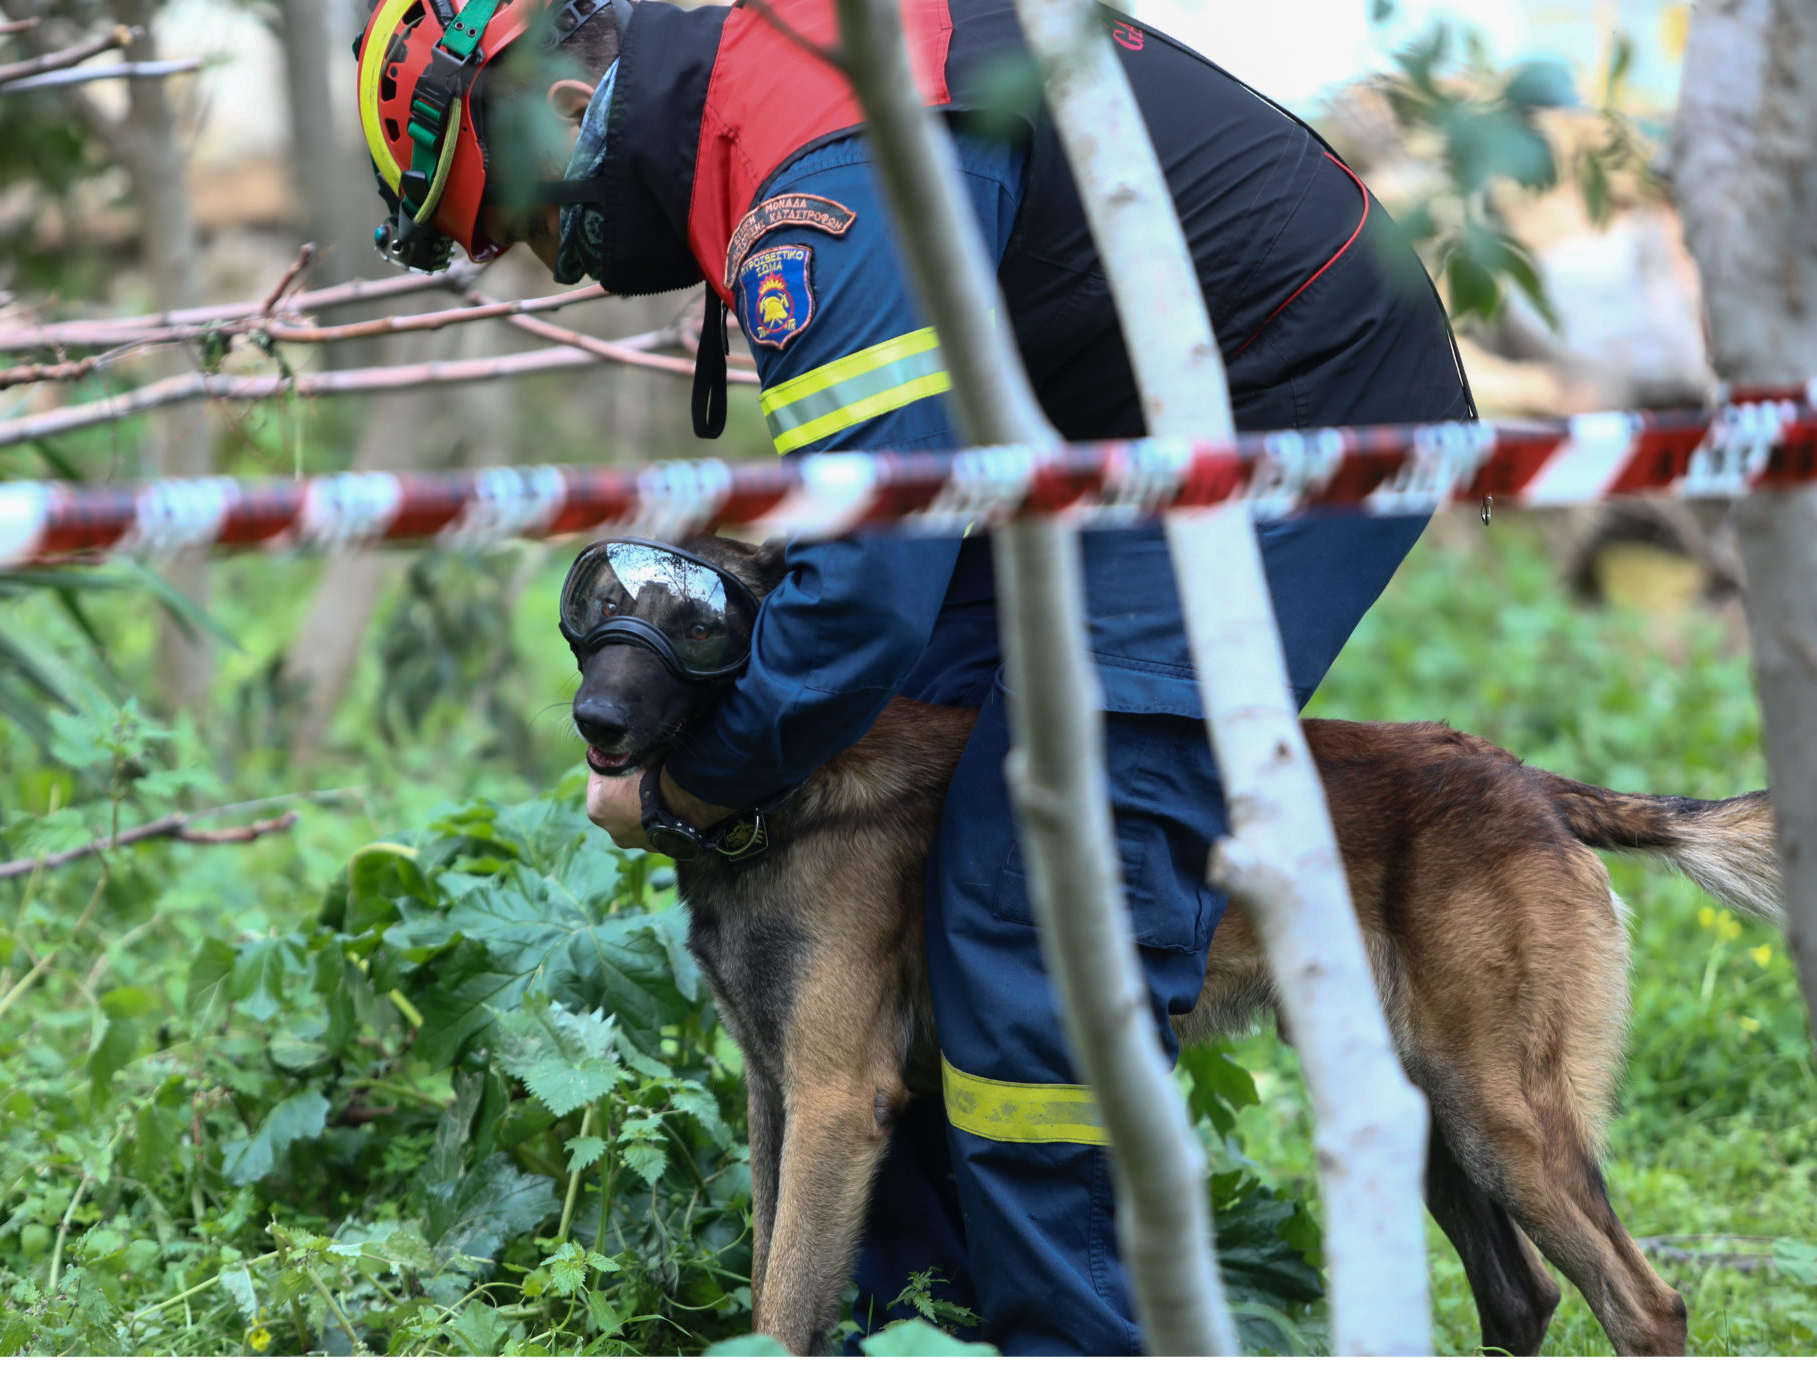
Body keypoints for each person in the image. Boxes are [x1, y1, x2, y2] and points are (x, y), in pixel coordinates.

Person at [355, 0, 1473, 1354]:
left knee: (1038, 883)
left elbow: (865, 593)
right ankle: (918, 1332)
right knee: (894, 798)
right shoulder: (749, 110)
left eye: (520, 222)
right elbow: (865, 543)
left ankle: (1081, 1349)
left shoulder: (814, 168)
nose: (549, 268)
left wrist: (698, 785)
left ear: (569, 117)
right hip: (1093, 427)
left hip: (1292, 390)